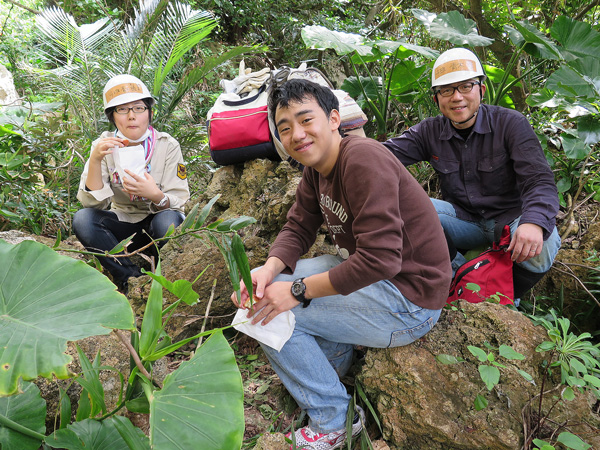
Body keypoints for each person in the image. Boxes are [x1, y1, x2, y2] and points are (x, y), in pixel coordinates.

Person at [231, 79, 451, 450]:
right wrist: (269, 269)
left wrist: (297, 292)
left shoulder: (362, 158)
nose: (297, 135)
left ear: (334, 119)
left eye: (306, 120)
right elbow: (298, 225)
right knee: (264, 293)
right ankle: (332, 366)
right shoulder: (316, 170)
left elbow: (381, 259)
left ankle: (334, 420)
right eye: (285, 128)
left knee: (265, 311)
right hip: (375, 283)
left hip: (409, 302)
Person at [384, 48, 561, 301]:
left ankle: (503, 298)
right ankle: (460, 276)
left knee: (543, 243)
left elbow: (539, 180)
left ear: (481, 90)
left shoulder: (510, 123)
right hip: (463, 219)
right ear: (436, 99)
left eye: (466, 86)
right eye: (446, 90)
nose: (457, 97)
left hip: (509, 219)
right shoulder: (429, 132)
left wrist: (533, 222)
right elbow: (379, 157)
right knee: (399, 209)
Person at [73, 74, 189, 291]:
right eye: (122, 110)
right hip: (124, 225)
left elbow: (180, 200)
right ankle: (130, 278)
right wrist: (96, 159)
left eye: (138, 108)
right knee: (83, 219)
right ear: (112, 116)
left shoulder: (167, 145)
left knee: (168, 224)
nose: (131, 116)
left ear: (149, 112)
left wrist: (155, 195)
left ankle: (164, 276)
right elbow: (93, 205)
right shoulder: (103, 145)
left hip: (159, 221)